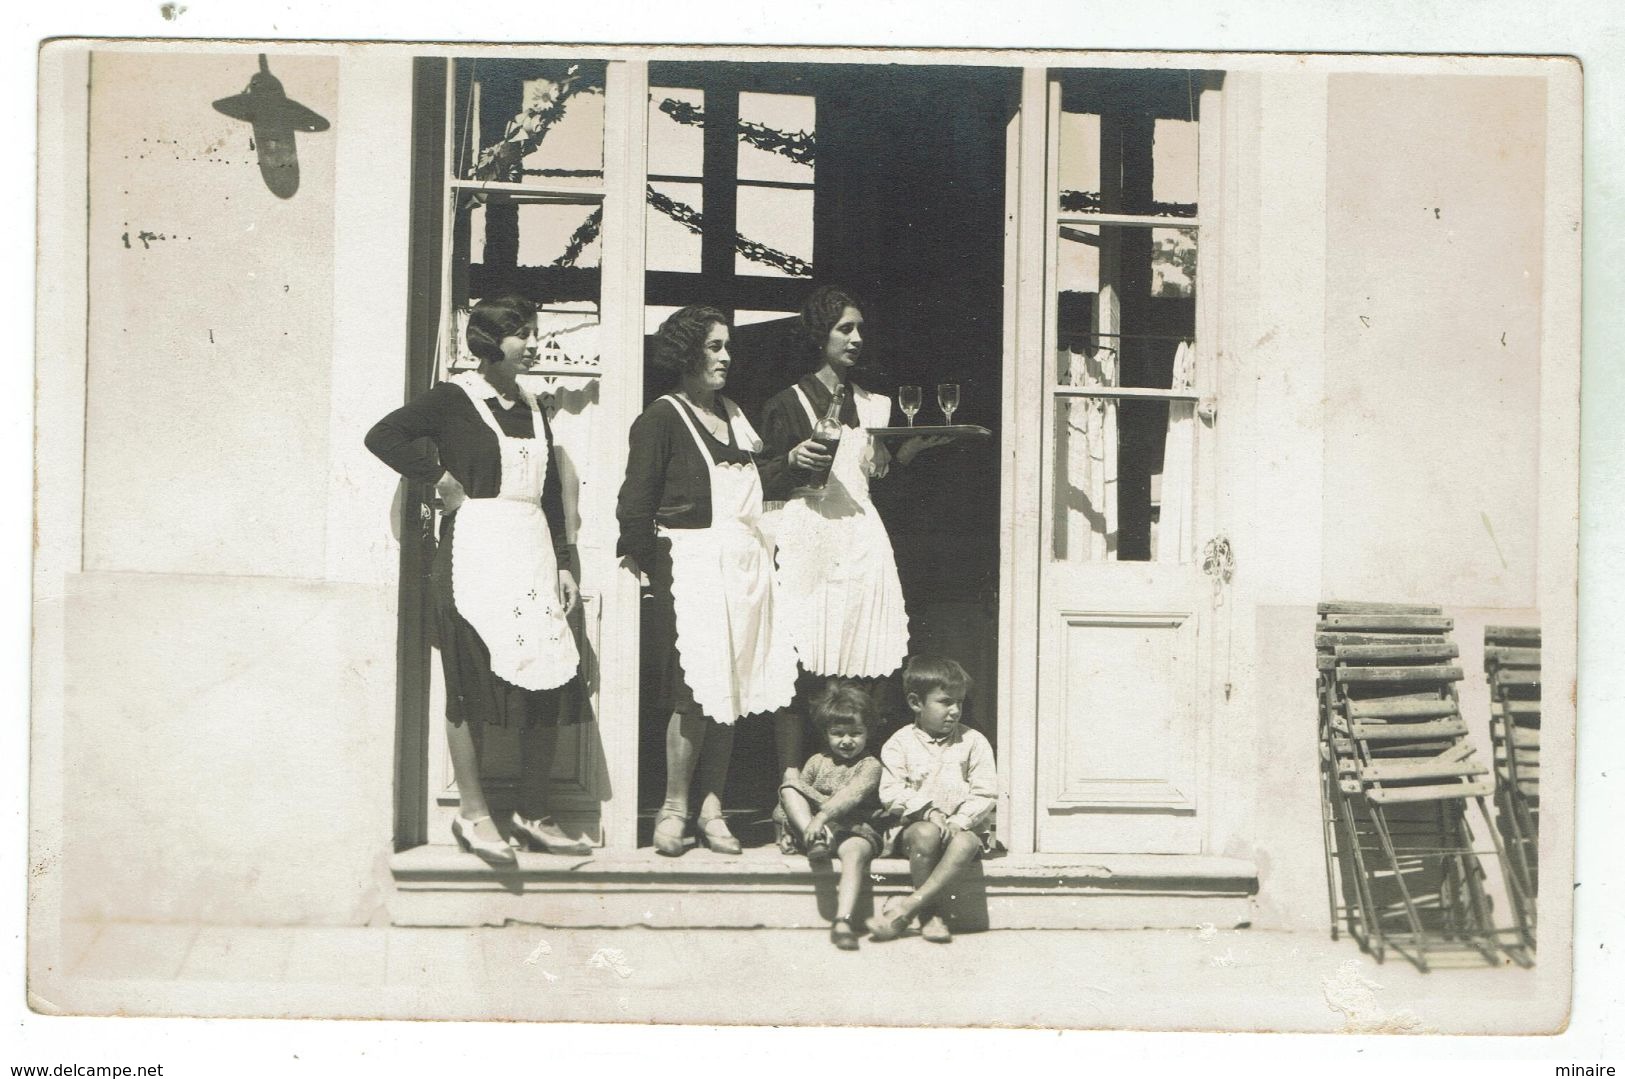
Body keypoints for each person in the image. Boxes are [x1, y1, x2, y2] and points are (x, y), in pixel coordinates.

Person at [366, 295, 586, 865]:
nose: (534, 344)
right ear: (490, 344)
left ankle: (533, 813)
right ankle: (474, 813)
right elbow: (383, 435)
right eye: (522, 334)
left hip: (532, 553)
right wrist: (439, 478)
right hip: (473, 556)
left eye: (535, 332)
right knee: (471, 681)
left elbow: (550, 495)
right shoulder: (454, 399)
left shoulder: (536, 407)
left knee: (551, 677)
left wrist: (564, 561)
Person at [616, 305, 811, 856]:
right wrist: (645, 563)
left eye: (728, 346)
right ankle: (673, 808)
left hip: (746, 567)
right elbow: (635, 501)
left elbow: (757, 478)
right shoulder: (661, 417)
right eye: (715, 347)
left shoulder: (732, 413)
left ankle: (711, 806)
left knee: (733, 687)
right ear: (686, 353)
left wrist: (790, 459)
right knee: (693, 693)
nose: (727, 357)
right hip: (694, 568)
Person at [759, 285, 950, 812]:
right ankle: (791, 786)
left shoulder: (876, 405)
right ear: (820, 335)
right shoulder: (786, 404)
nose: (856, 338)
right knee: (804, 664)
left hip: (862, 539)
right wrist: (791, 465)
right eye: (845, 328)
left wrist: (906, 454)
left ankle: (854, 788)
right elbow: (763, 480)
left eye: (860, 329)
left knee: (863, 661)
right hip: (809, 540)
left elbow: (876, 480)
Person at [869, 655, 997, 943]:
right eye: (945, 702)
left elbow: (985, 791)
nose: (954, 711)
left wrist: (960, 820)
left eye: (960, 702)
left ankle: (908, 907)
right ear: (916, 703)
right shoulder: (899, 743)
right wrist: (928, 812)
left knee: (967, 840)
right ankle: (930, 914)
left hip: (959, 831)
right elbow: (891, 792)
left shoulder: (973, 742)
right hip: (916, 831)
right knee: (926, 834)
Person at [778, 681, 890, 950]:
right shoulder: (817, 761)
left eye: (856, 733)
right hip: (817, 828)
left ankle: (843, 920)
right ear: (826, 732)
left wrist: (820, 819)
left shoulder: (870, 765)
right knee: (790, 784)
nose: (847, 740)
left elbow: (850, 796)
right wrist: (784, 830)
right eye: (838, 733)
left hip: (855, 826)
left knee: (854, 855)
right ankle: (812, 840)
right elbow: (794, 798)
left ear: (868, 733)